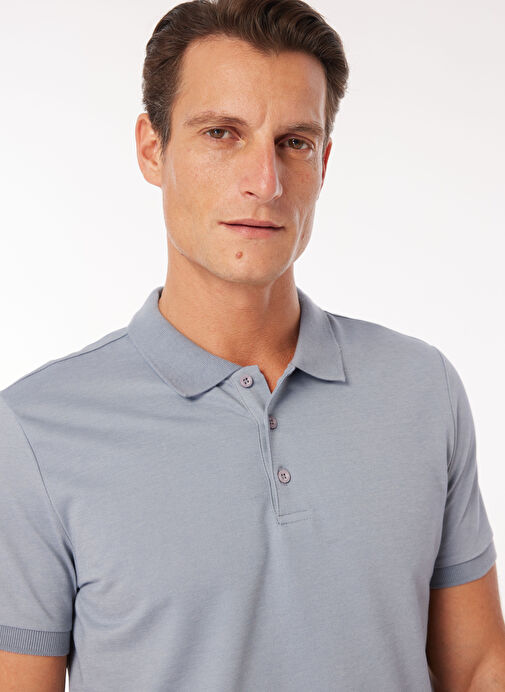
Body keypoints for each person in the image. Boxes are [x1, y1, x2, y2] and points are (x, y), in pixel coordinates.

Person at [1, 0, 504, 689]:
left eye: (293, 142)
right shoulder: (35, 431)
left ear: (323, 163)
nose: (264, 183)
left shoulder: (421, 389)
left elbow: (476, 668)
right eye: (221, 133)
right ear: (152, 148)